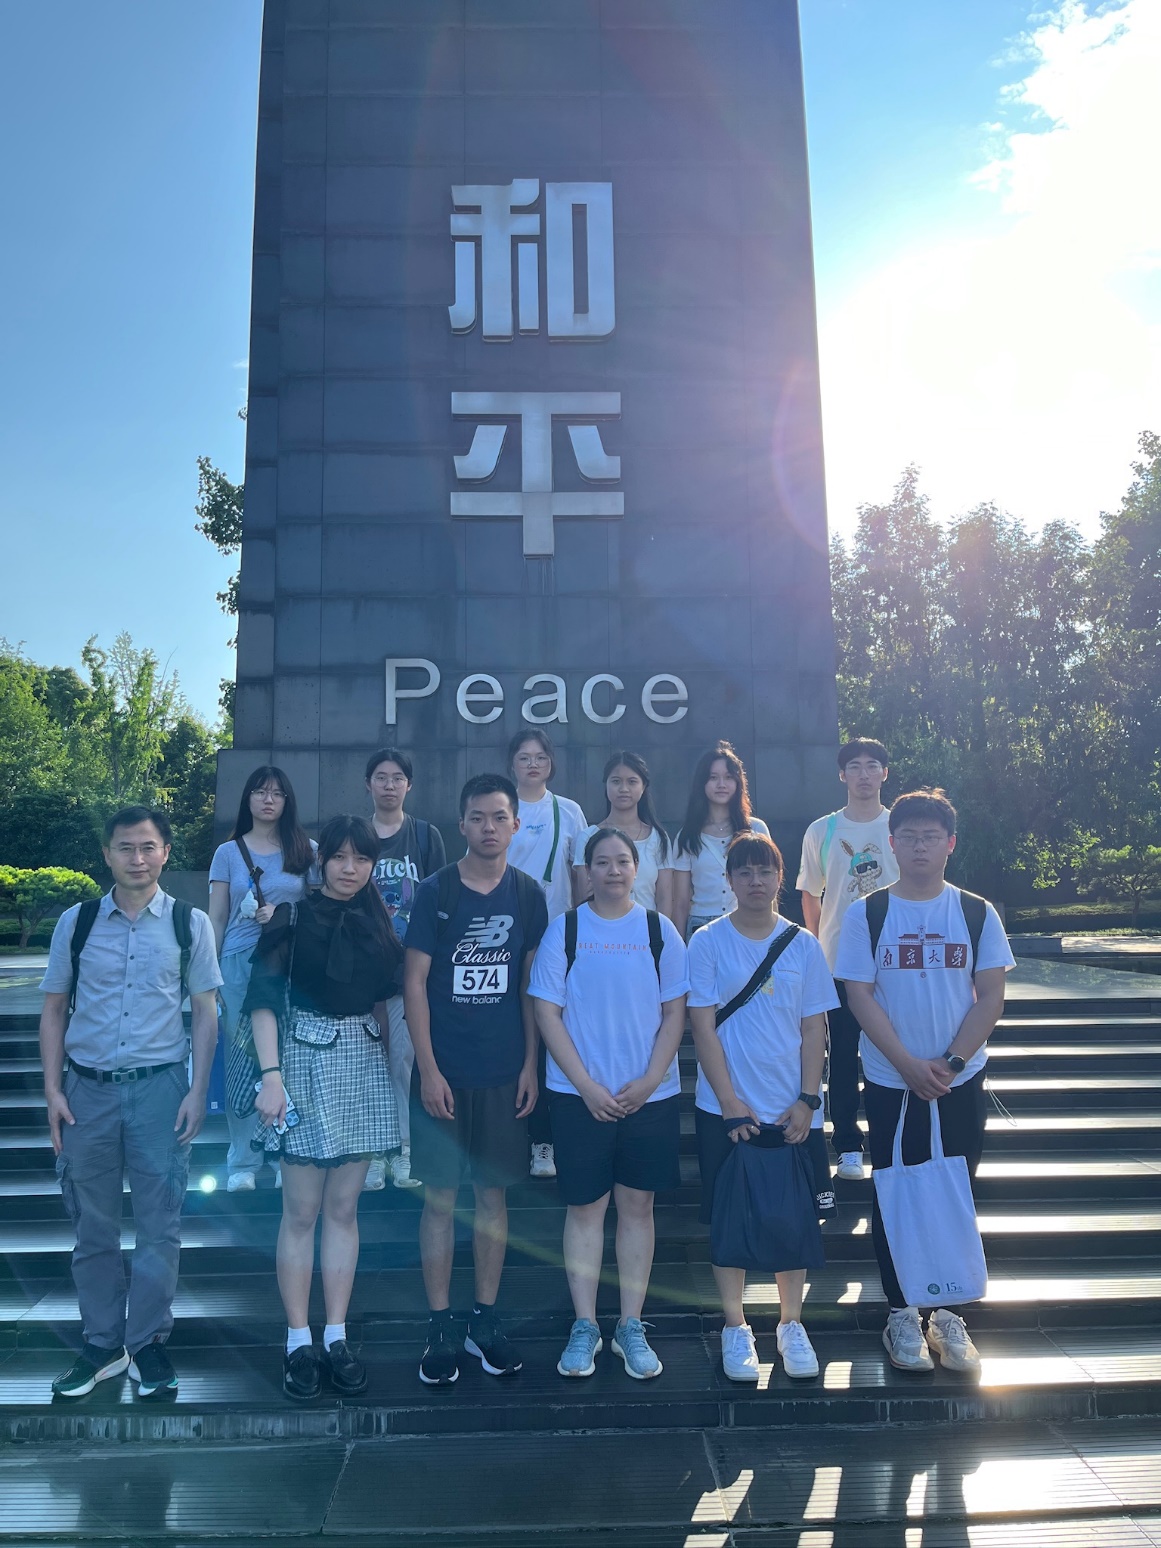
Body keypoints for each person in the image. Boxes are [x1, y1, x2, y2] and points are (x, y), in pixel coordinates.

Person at [39, 807, 222, 1400]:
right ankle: (102, 1343)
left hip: (160, 1091)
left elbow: (206, 1010)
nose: (137, 858)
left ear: (165, 851)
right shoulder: (78, 922)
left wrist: (198, 1089)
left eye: (148, 847)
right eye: (125, 847)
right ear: (107, 854)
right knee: (92, 1227)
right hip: (86, 1092)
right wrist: (52, 1089)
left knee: (159, 1226)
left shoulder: (190, 924)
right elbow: (54, 1007)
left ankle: (145, 1343)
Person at [833, 789, 1015, 1375]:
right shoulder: (868, 913)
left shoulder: (975, 912)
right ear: (892, 844)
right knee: (895, 1192)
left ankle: (949, 1313)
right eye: (908, 836)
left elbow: (990, 995)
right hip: (893, 1080)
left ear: (950, 844)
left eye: (930, 837)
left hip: (960, 1079)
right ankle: (902, 1311)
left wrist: (952, 1063)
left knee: (956, 1190)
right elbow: (859, 994)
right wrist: (909, 1065)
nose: (919, 846)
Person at [248, 815, 403, 1401]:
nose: (349, 868)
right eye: (339, 857)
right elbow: (263, 1001)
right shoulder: (290, 917)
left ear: (372, 865)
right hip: (302, 1063)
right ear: (322, 861)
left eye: (361, 858)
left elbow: (386, 1004)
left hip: (360, 1063)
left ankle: (336, 1335)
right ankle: (297, 1339)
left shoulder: (379, 924)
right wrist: (271, 1078)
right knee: (300, 1212)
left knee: (343, 1210)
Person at [404, 773, 548, 1387]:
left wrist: (530, 1064)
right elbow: (414, 984)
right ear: (461, 824)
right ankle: (440, 1324)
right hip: (444, 1072)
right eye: (478, 817)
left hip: (502, 1072)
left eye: (499, 817)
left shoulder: (528, 895)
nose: (489, 827)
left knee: (493, 1198)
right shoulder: (435, 891)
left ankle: (483, 1321)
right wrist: (428, 1068)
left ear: (516, 824)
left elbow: (530, 988)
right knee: (439, 1199)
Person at [531, 829, 688, 1381]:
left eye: (623, 861)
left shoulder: (659, 930)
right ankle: (584, 1325)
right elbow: (547, 1012)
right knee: (585, 1209)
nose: (613, 871)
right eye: (602, 862)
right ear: (588, 870)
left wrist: (649, 1080)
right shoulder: (566, 929)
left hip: (649, 1096)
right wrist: (585, 1085)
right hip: (580, 1096)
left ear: (637, 868)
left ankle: (630, 1324)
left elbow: (675, 1012)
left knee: (638, 1208)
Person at [688, 832, 836, 1383]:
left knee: (794, 1218)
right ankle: (736, 1326)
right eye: (744, 872)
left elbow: (814, 1027)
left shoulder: (803, 945)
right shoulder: (707, 942)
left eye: (765, 871)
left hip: (791, 1108)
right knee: (728, 1217)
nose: (755, 881)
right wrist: (729, 1101)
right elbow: (702, 1026)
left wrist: (808, 1099)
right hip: (724, 1108)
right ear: (728, 880)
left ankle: (790, 1324)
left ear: (780, 878)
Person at [208, 765, 316, 1193]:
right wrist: (210, 976)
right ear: (248, 799)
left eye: (276, 793)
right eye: (259, 792)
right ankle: (243, 1159)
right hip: (238, 963)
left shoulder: (306, 850)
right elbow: (217, 917)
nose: (268, 800)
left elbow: (321, 909)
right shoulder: (227, 852)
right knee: (242, 1060)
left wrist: (286, 914)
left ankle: (283, 1153)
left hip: (290, 964)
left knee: (288, 1060)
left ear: (288, 801)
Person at [797, 738, 897, 1183]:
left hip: (894, 962)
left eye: (872, 765)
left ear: (884, 773)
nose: (863, 774)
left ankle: (892, 1138)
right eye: (854, 766)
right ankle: (848, 1146)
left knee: (894, 1052)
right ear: (842, 775)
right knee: (840, 1056)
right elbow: (810, 893)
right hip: (839, 963)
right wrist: (820, 949)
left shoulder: (900, 826)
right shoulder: (822, 830)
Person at [364, 746, 447, 1192]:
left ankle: (404, 1148)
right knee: (367, 1063)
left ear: (409, 785)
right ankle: (373, 1152)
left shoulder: (425, 835)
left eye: (397, 778)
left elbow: (439, 901)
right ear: (368, 784)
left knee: (404, 1060)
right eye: (381, 777)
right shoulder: (356, 835)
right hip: (361, 969)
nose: (389, 785)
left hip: (410, 969)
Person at [506, 729, 587, 1180]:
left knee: (553, 1035)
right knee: (514, 1036)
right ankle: (509, 1137)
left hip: (555, 940)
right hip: (504, 936)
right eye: (524, 757)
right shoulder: (502, 805)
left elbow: (579, 875)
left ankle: (545, 1140)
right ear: (512, 764)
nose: (532, 764)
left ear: (551, 763)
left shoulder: (569, 811)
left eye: (540, 757)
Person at [672, 741, 770, 940]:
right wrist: (679, 946)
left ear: (738, 782)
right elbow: (680, 902)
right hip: (701, 927)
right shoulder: (687, 836)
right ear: (702, 783)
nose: (721, 784)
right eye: (713, 778)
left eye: (728, 777)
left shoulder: (756, 829)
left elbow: (769, 885)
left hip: (745, 922)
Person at [572, 750, 675, 917]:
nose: (624, 789)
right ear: (606, 785)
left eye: (632, 782)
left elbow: (664, 898)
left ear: (643, 787)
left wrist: (658, 931)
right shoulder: (588, 837)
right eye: (616, 781)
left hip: (646, 928)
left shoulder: (658, 838)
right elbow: (584, 897)